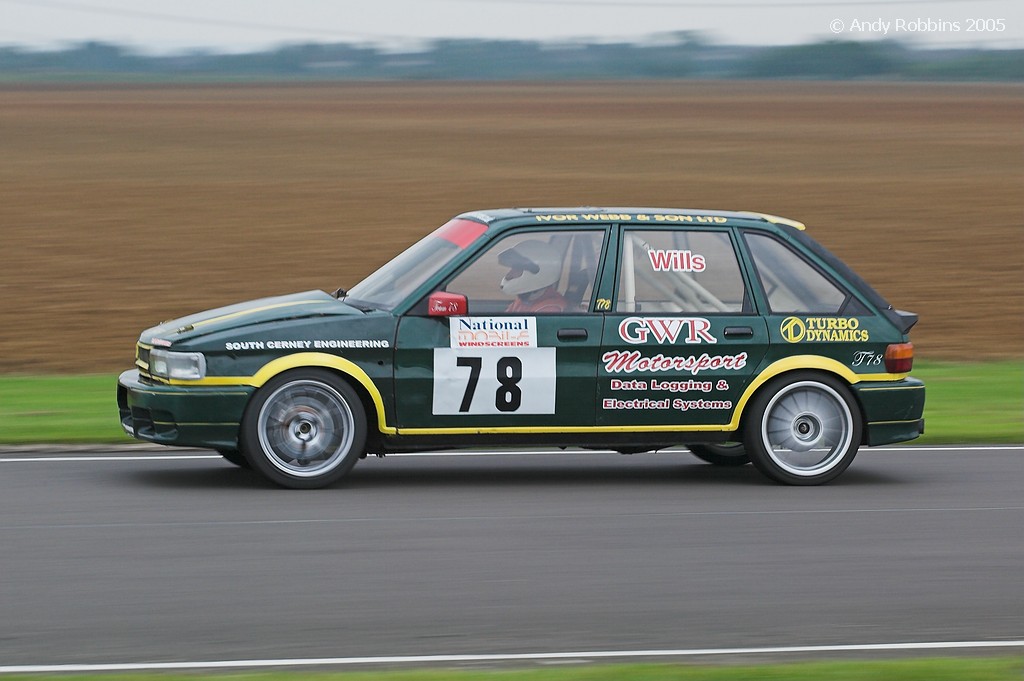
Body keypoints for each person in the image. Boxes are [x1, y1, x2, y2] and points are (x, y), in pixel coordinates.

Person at [499, 240, 568, 313]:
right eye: (512, 269)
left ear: (538, 272)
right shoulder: (524, 300)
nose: (509, 275)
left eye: (517, 269)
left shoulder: (549, 309)